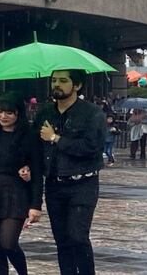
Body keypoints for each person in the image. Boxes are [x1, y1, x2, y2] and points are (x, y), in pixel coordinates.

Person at [35, 69, 106, 275]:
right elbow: (36, 147)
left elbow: (91, 148)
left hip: (83, 184)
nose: (57, 84)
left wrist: (55, 138)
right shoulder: (45, 114)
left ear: (77, 85)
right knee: (62, 240)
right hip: (55, 184)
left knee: (78, 237)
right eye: (54, 80)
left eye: (63, 80)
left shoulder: (92, 114)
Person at [0, 92, 42, 275]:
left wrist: (36, 204)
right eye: (0, 111)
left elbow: (37, 172)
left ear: (18, 113)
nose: (3, 116)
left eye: (9, 112)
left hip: (17, 191)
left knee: (8, 243)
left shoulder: (28, 135)